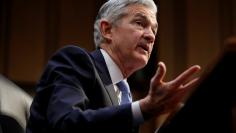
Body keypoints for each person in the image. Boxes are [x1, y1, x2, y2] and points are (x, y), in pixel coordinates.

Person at [26, 0, 201, 133]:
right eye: (140, 23)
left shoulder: (124, 95)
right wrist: (143, 109)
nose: (150, 36)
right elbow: (66, 123)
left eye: (154, 30)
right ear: (107, 30)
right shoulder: (75, 60)